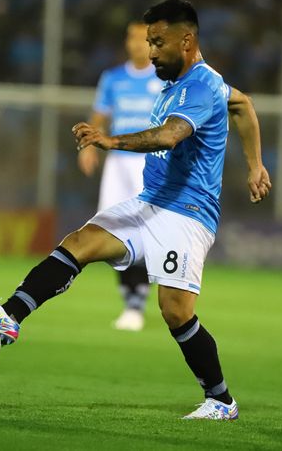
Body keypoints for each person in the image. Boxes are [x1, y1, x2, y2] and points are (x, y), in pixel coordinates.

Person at [0, 0, 271, 420]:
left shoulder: (201, 85)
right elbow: (242, 105)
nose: (150, 52)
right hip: (152, 202)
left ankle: (221, 400)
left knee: (175, 312)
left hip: (187, 213)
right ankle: (10, 315)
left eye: (158, 42)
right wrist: (255, 165)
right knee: (80, 242)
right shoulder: (190, 83)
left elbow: (170, 136)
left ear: (186, 40)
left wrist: (111, 141)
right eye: (148, 42)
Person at [78, 20, 164, 332]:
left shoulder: (164, 77)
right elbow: (100, 116)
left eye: (142, 38)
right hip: (117, 161)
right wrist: (88, 146)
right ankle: (130, 299)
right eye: (131, 37)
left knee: (145, 231)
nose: (136, 43)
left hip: (150, 161)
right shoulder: (113, 78)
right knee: (113, 229)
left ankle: (136, 302)